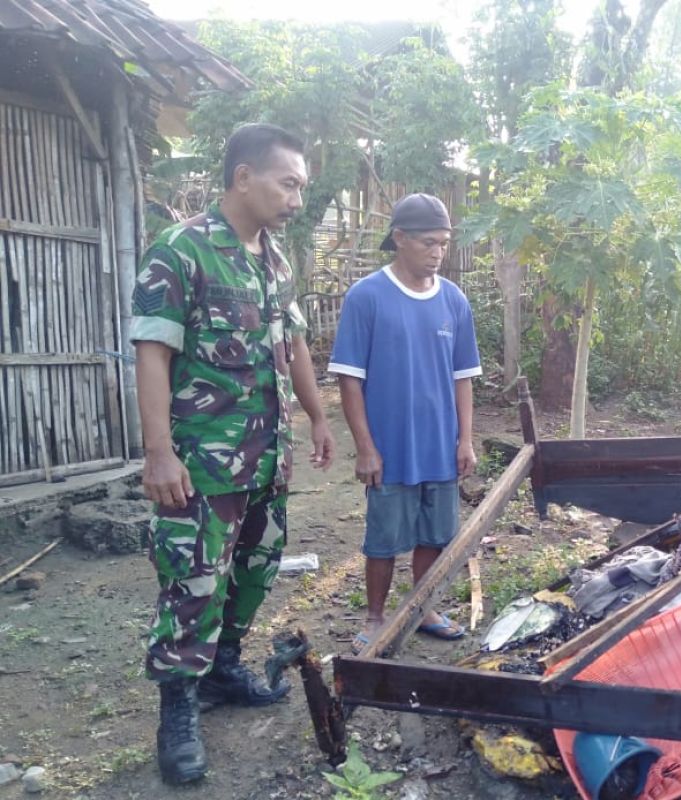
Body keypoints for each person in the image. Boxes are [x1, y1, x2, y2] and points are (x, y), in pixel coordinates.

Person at [130, 123, 334, 785]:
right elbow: (152, 352)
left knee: (254, 569)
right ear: (243, 177)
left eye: (302, 185)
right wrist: (159, 452)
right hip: (201, 460)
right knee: (193, 581)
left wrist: (318, 414)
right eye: (288, 182)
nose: (297, 198)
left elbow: (295, 343)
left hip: (267, 455)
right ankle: (179, 705)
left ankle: (223, 670)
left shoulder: (275, 259)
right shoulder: (181, 249)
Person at [328, 193, 481, 654]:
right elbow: (349, 380)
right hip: (390, 447)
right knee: (383, 538)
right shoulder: (367, 297)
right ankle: (375, 617)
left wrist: (466, 440)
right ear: (399, 238)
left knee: (436, 533)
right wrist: (365, 447)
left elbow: (463, 379)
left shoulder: (453, 301)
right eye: (428, 243)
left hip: (439, 445)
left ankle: (423, 607)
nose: (437, 253)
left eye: (444, 244)